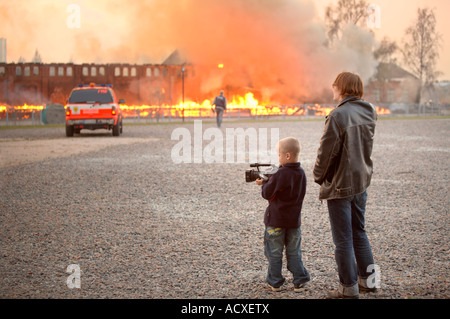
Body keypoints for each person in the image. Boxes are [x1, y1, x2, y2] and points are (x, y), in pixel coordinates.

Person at [313, 72, 378, 299]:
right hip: (361, 182)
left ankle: (347, 288)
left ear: (341, 88)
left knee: (343, 239)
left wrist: (318, 176)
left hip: (341, 186)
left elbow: (326, 153)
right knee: (359, 232)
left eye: (334, 86)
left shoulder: (337, 115)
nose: (332, 89)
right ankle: (369, 282)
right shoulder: (369, 110)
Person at [256, 137, 310, 292]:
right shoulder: (301, 173)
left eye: (279, 155)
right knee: (294, 252)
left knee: (274, 253)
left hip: (275, 221)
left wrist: (264, 182)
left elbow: (267, 193)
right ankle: (299, 280)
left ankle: (275, 281)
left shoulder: (281, 173)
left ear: (287, 156)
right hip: (294, 222)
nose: (277, 158)